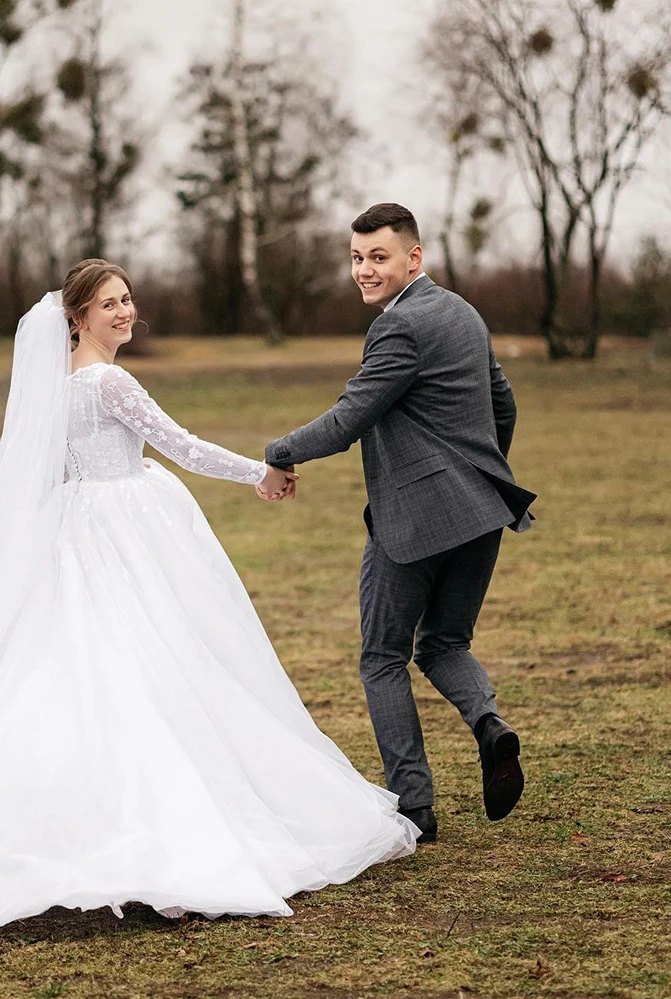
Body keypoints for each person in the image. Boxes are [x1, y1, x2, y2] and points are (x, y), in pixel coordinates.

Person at [0, 259, 418, 940]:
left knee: (68, 674)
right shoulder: (108, 381)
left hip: (78, 527)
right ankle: (163, 846)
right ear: (76, 317)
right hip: (121, 535)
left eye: (128, 299)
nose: (125, 312)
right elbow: (181, 445)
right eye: (109, 304)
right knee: (144, 671)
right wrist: (263, 472)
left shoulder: (59, 385)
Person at [265, 205, 536, 845]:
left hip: (413, 522)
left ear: (414, 257)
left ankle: (414, 806)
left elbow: (347, 419)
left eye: (378, 257)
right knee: (445, 643)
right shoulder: (464, 313)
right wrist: (476, 471)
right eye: (357, 258)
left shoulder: (400, 329)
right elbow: (504, 404)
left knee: (382, 657)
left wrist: (278, 452)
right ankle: (490, 726)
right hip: (484, 511)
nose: (364, 270)